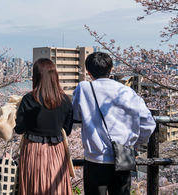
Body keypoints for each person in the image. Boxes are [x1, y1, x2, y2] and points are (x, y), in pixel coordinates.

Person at [72, 52, 156, 195]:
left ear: (88, 72)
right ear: (111, 69)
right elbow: (148, 124)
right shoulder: (127, 92)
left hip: (96, 158)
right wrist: (134, 145)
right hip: (123, 157)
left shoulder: (84, 88)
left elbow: (75, 115)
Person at [15, 58, 73, 195]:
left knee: (33, 186)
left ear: (35, 76)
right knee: (56, 187)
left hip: (33, 150)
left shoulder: (29, 99)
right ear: (55, 76)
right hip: (57, 150)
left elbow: (19, 128)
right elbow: (68, 129)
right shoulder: (65, 100)